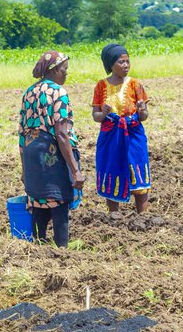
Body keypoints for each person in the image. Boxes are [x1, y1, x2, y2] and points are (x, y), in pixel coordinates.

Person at [18, 50, 85, 247]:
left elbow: (22, 134)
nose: (66, 74)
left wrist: (23, 167)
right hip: (51, 154)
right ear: (54, 70)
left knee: (39, 202)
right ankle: (61, 251)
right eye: (64, 70)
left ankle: (38, 248)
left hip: (31, 152)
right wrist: (75, 170)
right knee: (59, 201)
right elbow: (62, 134)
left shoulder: (29, 92)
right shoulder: (58, 93)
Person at [91, 44, 150, 212]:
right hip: (110, 136)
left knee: (137, 169)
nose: (126, 65)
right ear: (111, 64)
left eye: (127, 62)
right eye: (121, 62)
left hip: (133, 134)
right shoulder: (101, 86)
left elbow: (144, 117)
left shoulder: (135, 85)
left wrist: (142, 110)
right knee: (111, 168)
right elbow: (95, 116)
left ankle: (143, 217)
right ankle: (114, 216)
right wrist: (103, 114)